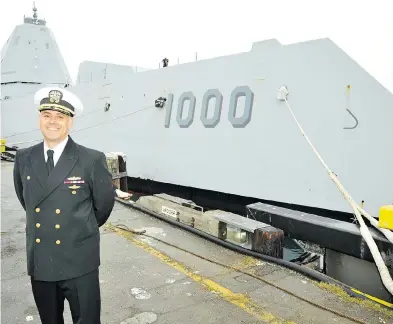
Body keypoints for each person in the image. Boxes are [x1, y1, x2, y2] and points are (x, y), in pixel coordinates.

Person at [13, 86, 115, 324]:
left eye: (60, 117)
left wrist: (76, 229)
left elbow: (103, 206)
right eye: (47, 115)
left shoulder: (91, 159)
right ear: (39, 119)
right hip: (41, 261)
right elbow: (26, 200)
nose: (53, 122)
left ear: (71, 122)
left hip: (80, 260)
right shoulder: (24, 158)